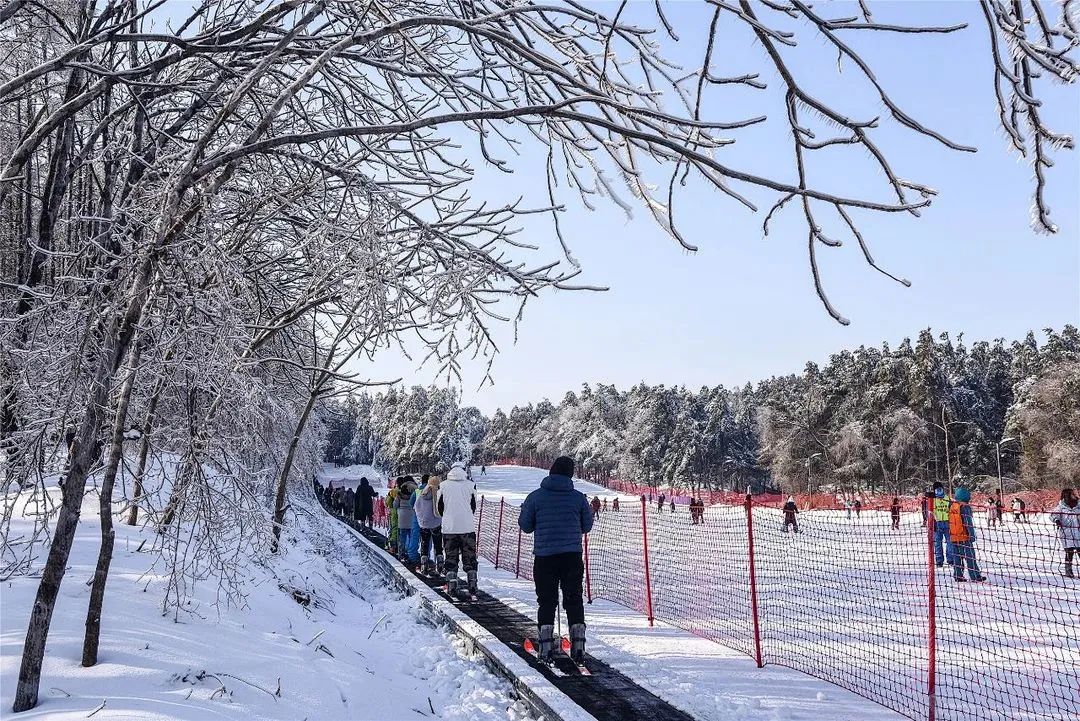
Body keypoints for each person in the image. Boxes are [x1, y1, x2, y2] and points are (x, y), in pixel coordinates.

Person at [518, 456, 593, 664]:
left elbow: (526, 526)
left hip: (545, 556)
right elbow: (586, 527)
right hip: (572, 556)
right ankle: (578, 646)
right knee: (574, 598)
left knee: (547, 600)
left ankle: (545, 647)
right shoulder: (578, 498)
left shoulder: (535, 497)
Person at [437, 462, 478, 597]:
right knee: (469, 556)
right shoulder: (471, 485)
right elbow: (474, 506)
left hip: (449, 528)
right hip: (467, 527)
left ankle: (452, 584)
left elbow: (439, 508)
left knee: (451, 556)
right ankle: (472, 582)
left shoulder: (442, 486)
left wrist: (448, 516)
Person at [949, 487, 986, 582]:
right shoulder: (964, 508)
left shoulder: (952, 506)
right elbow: (968, 522)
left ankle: (958, 575)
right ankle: (975, 576)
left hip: (953, 536)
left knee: (957, 558)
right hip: (964, 537)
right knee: (970, 558)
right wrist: (972, 535)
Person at [415, 475, 444, 576]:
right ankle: (440, 563)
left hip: (424, 523)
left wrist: (421, 519)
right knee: (438, 544)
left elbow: (416, 507)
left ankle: (423, 564)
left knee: (425, 543)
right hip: (436, 522)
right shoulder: (439, 493)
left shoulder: (423, 492)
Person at [1051, 487, 1079, 579]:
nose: (1075, 495)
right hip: (1067, 534)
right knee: (1069, 552)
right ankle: (1068, 571)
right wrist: (1057, 520)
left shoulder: (1078, 506)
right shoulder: (1060, 507)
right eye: (1072, 494)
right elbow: (1053, 515)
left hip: (1078, 533)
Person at [395, 476, 419, 564]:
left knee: (402, 535)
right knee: (412, 536)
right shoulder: (416, 490)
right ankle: (411, 553)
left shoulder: (400, 491)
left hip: (402, 516)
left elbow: (395, 505)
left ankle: (401, 552)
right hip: (412, 515)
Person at [932, 482, 954, 568]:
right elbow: (930, 512)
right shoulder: (932, 500)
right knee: (938, 543)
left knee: (950, 542)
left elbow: (952, 509)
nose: (939, 490)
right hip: (937, 523)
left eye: (940, 489)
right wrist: (932, 522)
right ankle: (939, 561)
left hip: (947, 522)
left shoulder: (947, 498)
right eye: (937, 489)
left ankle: (951, 559)